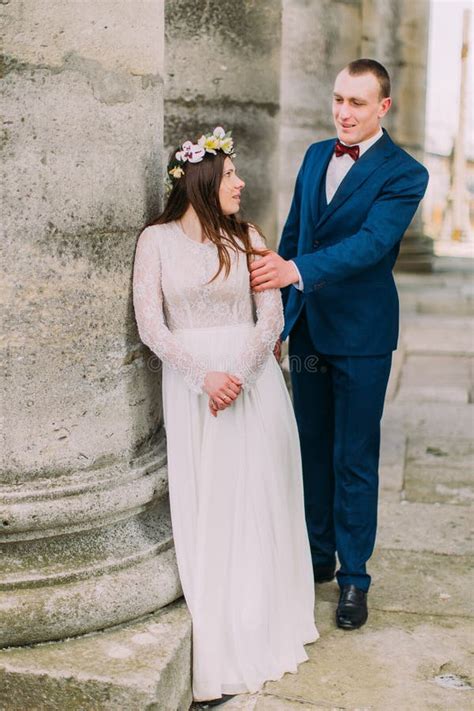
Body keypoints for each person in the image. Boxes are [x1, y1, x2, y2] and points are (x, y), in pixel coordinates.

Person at [132, 127, 318, 706]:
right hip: (194, 390)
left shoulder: (249, 238)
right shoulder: (155, 242)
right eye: (231, 174)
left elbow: (270, 318)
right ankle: (220, 619)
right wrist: (203, 377)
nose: (241, 182)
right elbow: (151, 325)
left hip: (254, 385)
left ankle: (263, 614)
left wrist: (235, 374)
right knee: (209, 502)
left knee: (258, 496)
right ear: (203, 180)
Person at [250, 59, 429, 631]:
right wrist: (278, 321)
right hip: (307, 330)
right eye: (338, 100)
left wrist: (294, 269)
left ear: (383, 107)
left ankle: (355, 578)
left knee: (354, 457)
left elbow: (372, 246)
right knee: (311, 448)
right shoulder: (311, 156)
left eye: (357, 103)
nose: (343, 113)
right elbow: (294, 237)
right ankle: (316, 557)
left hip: (362, 337)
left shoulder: (406, 174)